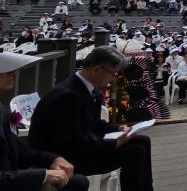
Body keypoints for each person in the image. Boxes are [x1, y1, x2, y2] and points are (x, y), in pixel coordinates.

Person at [27, 46, 154, 191]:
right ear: (97, 70)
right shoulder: (67, 97)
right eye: (113, 74)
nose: (113, 79)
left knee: (142, 141)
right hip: (62, 157)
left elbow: (93, 124)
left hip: (80, 146)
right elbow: (72, 142)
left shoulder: (86, 89)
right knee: (134, 152)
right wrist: (114, 143)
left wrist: (117, 128)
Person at [1, 52, 89, 191]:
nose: (12, 73)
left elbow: (17, 150)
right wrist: (42, 175)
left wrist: (52, 159)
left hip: (11, 177)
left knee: (77, 181)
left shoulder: (3, 110)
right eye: (6, 71)